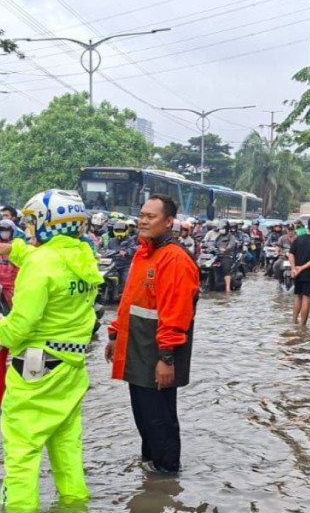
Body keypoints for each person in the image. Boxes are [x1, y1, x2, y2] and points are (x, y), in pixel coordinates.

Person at [0, 189, 102, 512]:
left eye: (31, 223)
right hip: (72, 368)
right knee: (67, 447)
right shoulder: (84, 256)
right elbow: (47, 258)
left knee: (21, 451)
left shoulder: (40, 266)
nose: (27, 230)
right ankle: (75, 506)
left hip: (35, 369)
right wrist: (12, 249)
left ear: (46, 223)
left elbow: (18, 328)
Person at [105, 194, 199, 475]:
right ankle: (151, 469)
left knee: (160, 418)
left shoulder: (175, 259)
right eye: (142, 215)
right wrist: (115, 334)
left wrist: (166, 358)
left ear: (169, 222)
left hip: (158, 352)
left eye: (151, 217)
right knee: (145, 416)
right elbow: (130, 300)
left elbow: (176, 312)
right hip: (137, 348)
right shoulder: (144, 253)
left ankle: (167, 474)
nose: (143, 221)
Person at [0, 219, 20, 307]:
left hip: (11, 283)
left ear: (12, 232)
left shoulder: (16, 246)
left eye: (6, 230)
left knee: (14, 305)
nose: (4, 233)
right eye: (1, 230)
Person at [211, 220, 238, 292]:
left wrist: (225, 249)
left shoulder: (231, 236)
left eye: (222, 229)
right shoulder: (218, 236)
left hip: (227, 256)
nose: (221, 230)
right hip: (217, 255)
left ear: (226, 229)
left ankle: (228, 288)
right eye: (220, 229)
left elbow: (232, 245)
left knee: (226, 270)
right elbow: (213, 243)